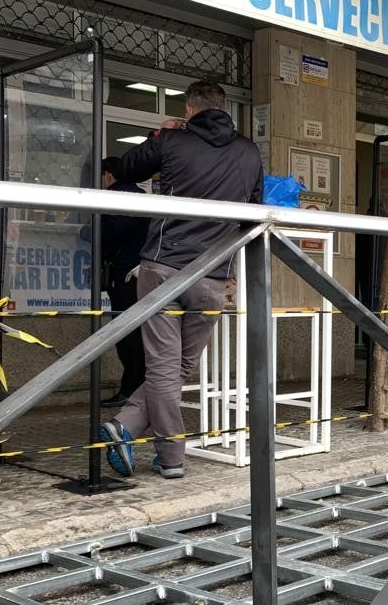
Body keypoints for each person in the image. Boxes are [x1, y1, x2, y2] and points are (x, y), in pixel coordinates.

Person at [99, 81, 262, 480]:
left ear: (190, 109)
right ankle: (146, 439)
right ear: (225, 109)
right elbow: (252, 212)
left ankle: (147, 439)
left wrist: (159, 133)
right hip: (214, 275)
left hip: (163, 269)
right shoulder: (249, 151)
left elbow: (125, 168)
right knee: (179, 366)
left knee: (163, 367)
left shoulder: (172, 140)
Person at [97, 156, 150, 407]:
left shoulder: (117, 197)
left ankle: (131, 389)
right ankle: (138, 388)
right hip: (143, 273)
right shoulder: (142, 195)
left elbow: (115, 231)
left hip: (126, 274)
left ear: (108, 175)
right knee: (137, 334)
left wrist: (88, 230)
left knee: (126, 334)